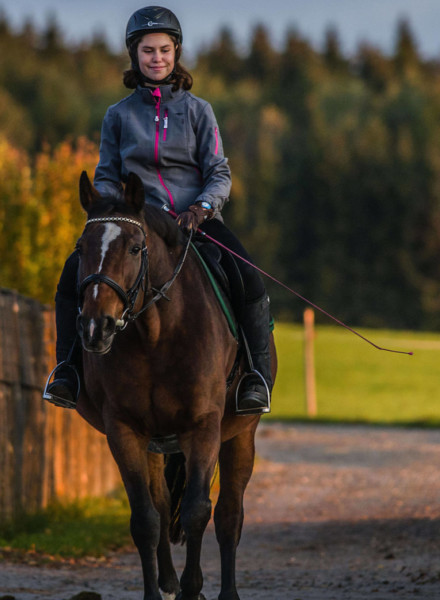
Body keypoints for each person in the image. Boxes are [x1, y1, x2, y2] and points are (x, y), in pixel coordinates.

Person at [43, 5, 273, 415]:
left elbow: (219, 172)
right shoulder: (118, 115)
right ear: (135, 55)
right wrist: (118, 211)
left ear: (176, 52)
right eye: (148, 50)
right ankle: (67, 372)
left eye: (164, 50)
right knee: (69, 278)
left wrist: (202, 206)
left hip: (195, 221)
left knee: (249, 278)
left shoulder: (199, 110)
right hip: (137, 223)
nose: (157, 58)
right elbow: (107, 175)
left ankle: (255, 377)